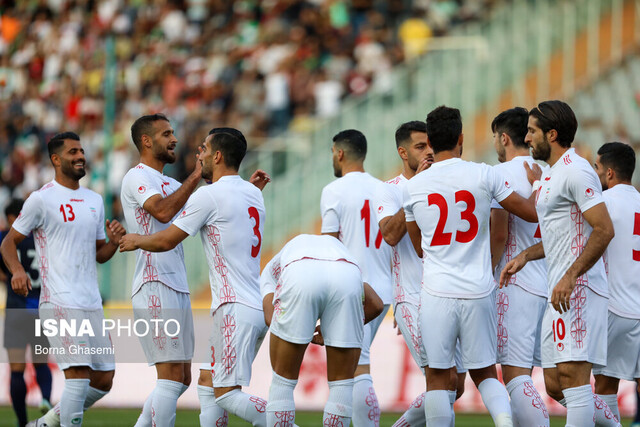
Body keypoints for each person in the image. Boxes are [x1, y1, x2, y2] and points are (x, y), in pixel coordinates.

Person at [120, 127, 270, 427]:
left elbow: (165, 239)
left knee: (224, 393)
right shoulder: (253, 193)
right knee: (204, 383)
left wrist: (136, 240)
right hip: (253, 305)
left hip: (233, 308)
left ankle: (283, 420)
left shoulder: (210, 196)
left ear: (217, 155)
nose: (197, 154)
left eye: (203, 149)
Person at [404, 106, 539, 427]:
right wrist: (536, 184)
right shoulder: (484, 173)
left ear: (431, 143)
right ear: (461, 138)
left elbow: (417, 247)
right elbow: (532, 213)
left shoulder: (414, 187)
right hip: (479, 289)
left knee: (438, 376)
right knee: (485, 373)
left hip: (437, 291)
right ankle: (505, 423)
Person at [500, 101, 616, 427]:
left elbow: (604, 229)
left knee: (573, 378)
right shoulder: (554, 174)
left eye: (532, 131)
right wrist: (525, 255)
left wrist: (570, 275)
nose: (526, 138)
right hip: (560, 290)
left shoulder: (577, 171)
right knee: (554, 382)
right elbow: (560, 236)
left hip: (577, 289)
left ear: (551, 134)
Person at [0, 132, 125, 427]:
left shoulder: (94, 200)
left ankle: (45, 423)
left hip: (91, 303)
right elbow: (8, 243)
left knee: (104, 379)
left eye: (81, 150)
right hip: (59, 301)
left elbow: (99, 254)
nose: (80, 156)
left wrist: (114, 242)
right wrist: (17, 270)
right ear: (56, 160)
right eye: (72, 152)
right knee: (78, 378)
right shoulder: (41, 200)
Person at [376, 121, 466, 427]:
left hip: (446, 294)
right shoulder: (389, 190)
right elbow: (389, 235)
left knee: (457, 384)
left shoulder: (444, 184)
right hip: (412, 297)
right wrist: (417, 187)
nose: (428, 151)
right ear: (403, 152)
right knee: (445, 378)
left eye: (430, 145)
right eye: (419, 147)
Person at [120, 113, 203, 427]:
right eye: (166, 133)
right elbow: (163, 211)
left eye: (173, 132)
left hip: (177, 284)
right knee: (169, 377)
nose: (174, 139)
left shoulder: (170, 183)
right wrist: (196, 176)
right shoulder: (137, 176)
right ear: (146, 140)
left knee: (181, 379)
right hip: (154, 282)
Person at [260, 234, 384, 427]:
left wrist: (294, 328)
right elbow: (376, 305)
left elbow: (271, 319)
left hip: (301, 273)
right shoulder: (340, 252)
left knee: (282, 381)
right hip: (346, 274)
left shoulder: (270, 273)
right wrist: (334, 328)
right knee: (341, 385)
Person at [320, 129, 393, 427]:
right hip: (385, 289)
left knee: (355, 369)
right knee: (356, 364)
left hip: (355, 290)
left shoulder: (333, 191)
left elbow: (330, 246)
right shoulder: (385, 188)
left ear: (339, 153)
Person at [488, 108, 550, 426]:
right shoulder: (547, 171)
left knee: (514, 378)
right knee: (530, 377)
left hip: (515, 282)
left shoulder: (501, 174)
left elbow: (499, 233)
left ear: (504, 138)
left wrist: (488, 272)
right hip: (547, 282)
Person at [592, 142, 640, 425]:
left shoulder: (604, 205)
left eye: (597, 168)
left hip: (615, 308)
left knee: (605, 387)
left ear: (609, 173)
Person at [0, 198, 52, 427]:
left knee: (17, 369)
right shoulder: (43, 237)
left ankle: (22, 422)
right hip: (40, 308)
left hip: (16, 309)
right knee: (41, 363)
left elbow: (3, 273)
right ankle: (46, 400)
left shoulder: (6, 238)